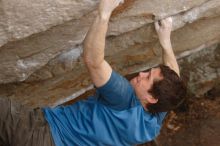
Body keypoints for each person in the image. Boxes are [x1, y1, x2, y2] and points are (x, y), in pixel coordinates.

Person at [0, 0, 186, 146]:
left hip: (41, 134)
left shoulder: (124, 98)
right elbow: (173, 76)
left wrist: (104, 13)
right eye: (148, 71)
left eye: (147, 78)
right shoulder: (152, 123)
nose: (141, 74)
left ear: (152, 98)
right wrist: (165, 41)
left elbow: (93, 61)